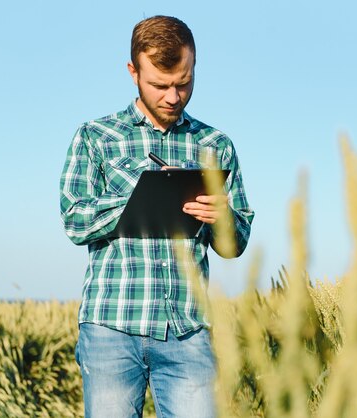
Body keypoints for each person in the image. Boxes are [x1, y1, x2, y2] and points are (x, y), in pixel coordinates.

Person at [59, 15, 254, 418]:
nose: (173, 96)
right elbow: (74, 221)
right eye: (160, 85)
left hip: (188, 331)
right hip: (110, 327)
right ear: (133, 72)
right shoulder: (94, 136)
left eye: (183, 83)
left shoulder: (216, 145)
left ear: (195, 66)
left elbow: (235, 246)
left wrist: (224, 219)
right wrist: (137, 194)